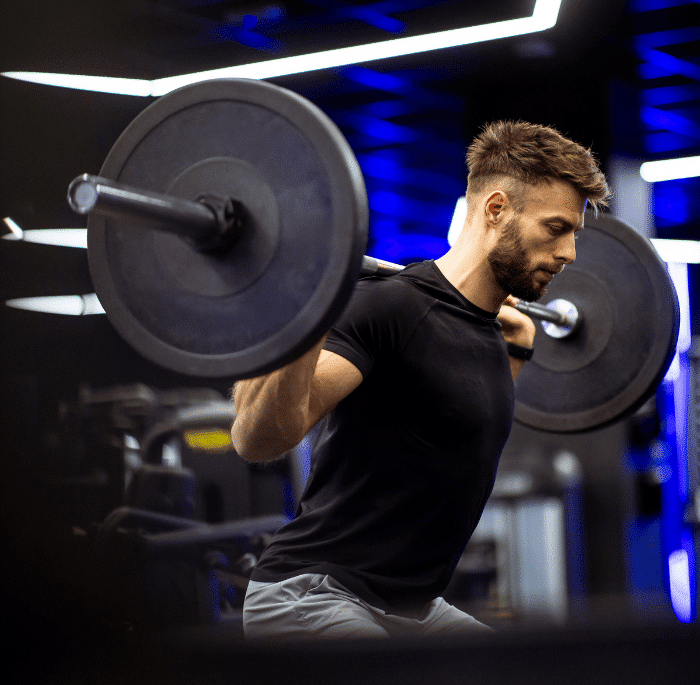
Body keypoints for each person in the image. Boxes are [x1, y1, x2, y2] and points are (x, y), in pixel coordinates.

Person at [231, 120, 610, 640]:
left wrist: (518, 346)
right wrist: (308, 308)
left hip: (412, 607)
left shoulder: (493, 333)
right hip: (313, 593)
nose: (568, 253)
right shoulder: (390, 308)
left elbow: (449, 425)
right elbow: (257, 439)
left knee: (527, 681)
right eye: (555, 228)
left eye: (573, 233)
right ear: (495, 209)